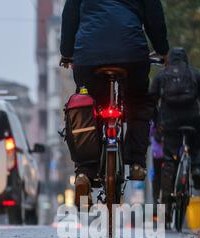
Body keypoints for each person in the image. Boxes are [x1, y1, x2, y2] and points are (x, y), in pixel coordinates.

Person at [60, 0, 169, 207]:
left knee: (87, 105)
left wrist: (67, 53)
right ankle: (136, 162)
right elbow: (155, 17)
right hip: (132, 54)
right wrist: (162, 50)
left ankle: (85, 171)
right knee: (138, 102)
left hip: (88, 56)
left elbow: (69, 18)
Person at [150, 47, 200, 193]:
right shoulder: (194, 74)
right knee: (196, 146)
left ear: (169, 59)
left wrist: (157, 122)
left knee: (170, 154)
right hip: (192, 119)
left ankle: (167, 195)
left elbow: (151, 102)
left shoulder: (161, 76)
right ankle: (196, 169)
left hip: (169, 120)